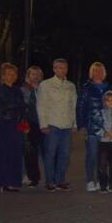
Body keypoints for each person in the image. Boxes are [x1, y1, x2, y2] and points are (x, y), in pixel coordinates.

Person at [37, 58, 77, 191]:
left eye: (64, 68)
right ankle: (49, 181)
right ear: (54, 69)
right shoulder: (46, 84)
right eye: (59, 67)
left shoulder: (71, 85)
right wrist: (43, 124)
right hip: (52, 124)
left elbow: (73, 106)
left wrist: (74, 123)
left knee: (65, 155)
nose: (62, 70)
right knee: (50, 154)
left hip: (66, 125)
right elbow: (41, 105)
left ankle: (60, 180)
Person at [76, 61, 110, 192]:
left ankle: (102, 180)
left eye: (100, 70)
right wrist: (82, 125)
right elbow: (80, 107)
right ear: (91, 73)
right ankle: (90, 180)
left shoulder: (109, 88)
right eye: (95, 71)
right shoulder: (86, 88)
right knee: (91, 154)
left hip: (106, 127)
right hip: (91, 126)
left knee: (105, 156)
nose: (98, 73)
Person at [0, 63, 29, 192]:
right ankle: (2, 183)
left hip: (16, 126)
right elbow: (4, 108)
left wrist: (24, 125)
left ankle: (12, 182)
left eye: (13, 74)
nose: (11, 77)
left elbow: (22, 109)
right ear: (3, 76)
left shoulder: (18, 91)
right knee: (3, 154)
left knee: (15, 154)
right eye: (8, 74)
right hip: (3, 125)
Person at [21, 65, 43, 189]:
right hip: (29, 124)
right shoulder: (23, 89)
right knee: (29, 152)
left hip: (42, 123)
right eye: (33, 74)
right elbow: (22, 109)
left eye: (38, 74)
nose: (35, 76)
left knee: (40, 153)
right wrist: (24, 125)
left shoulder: (43, 88)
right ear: (28, 76)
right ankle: (32, 177)